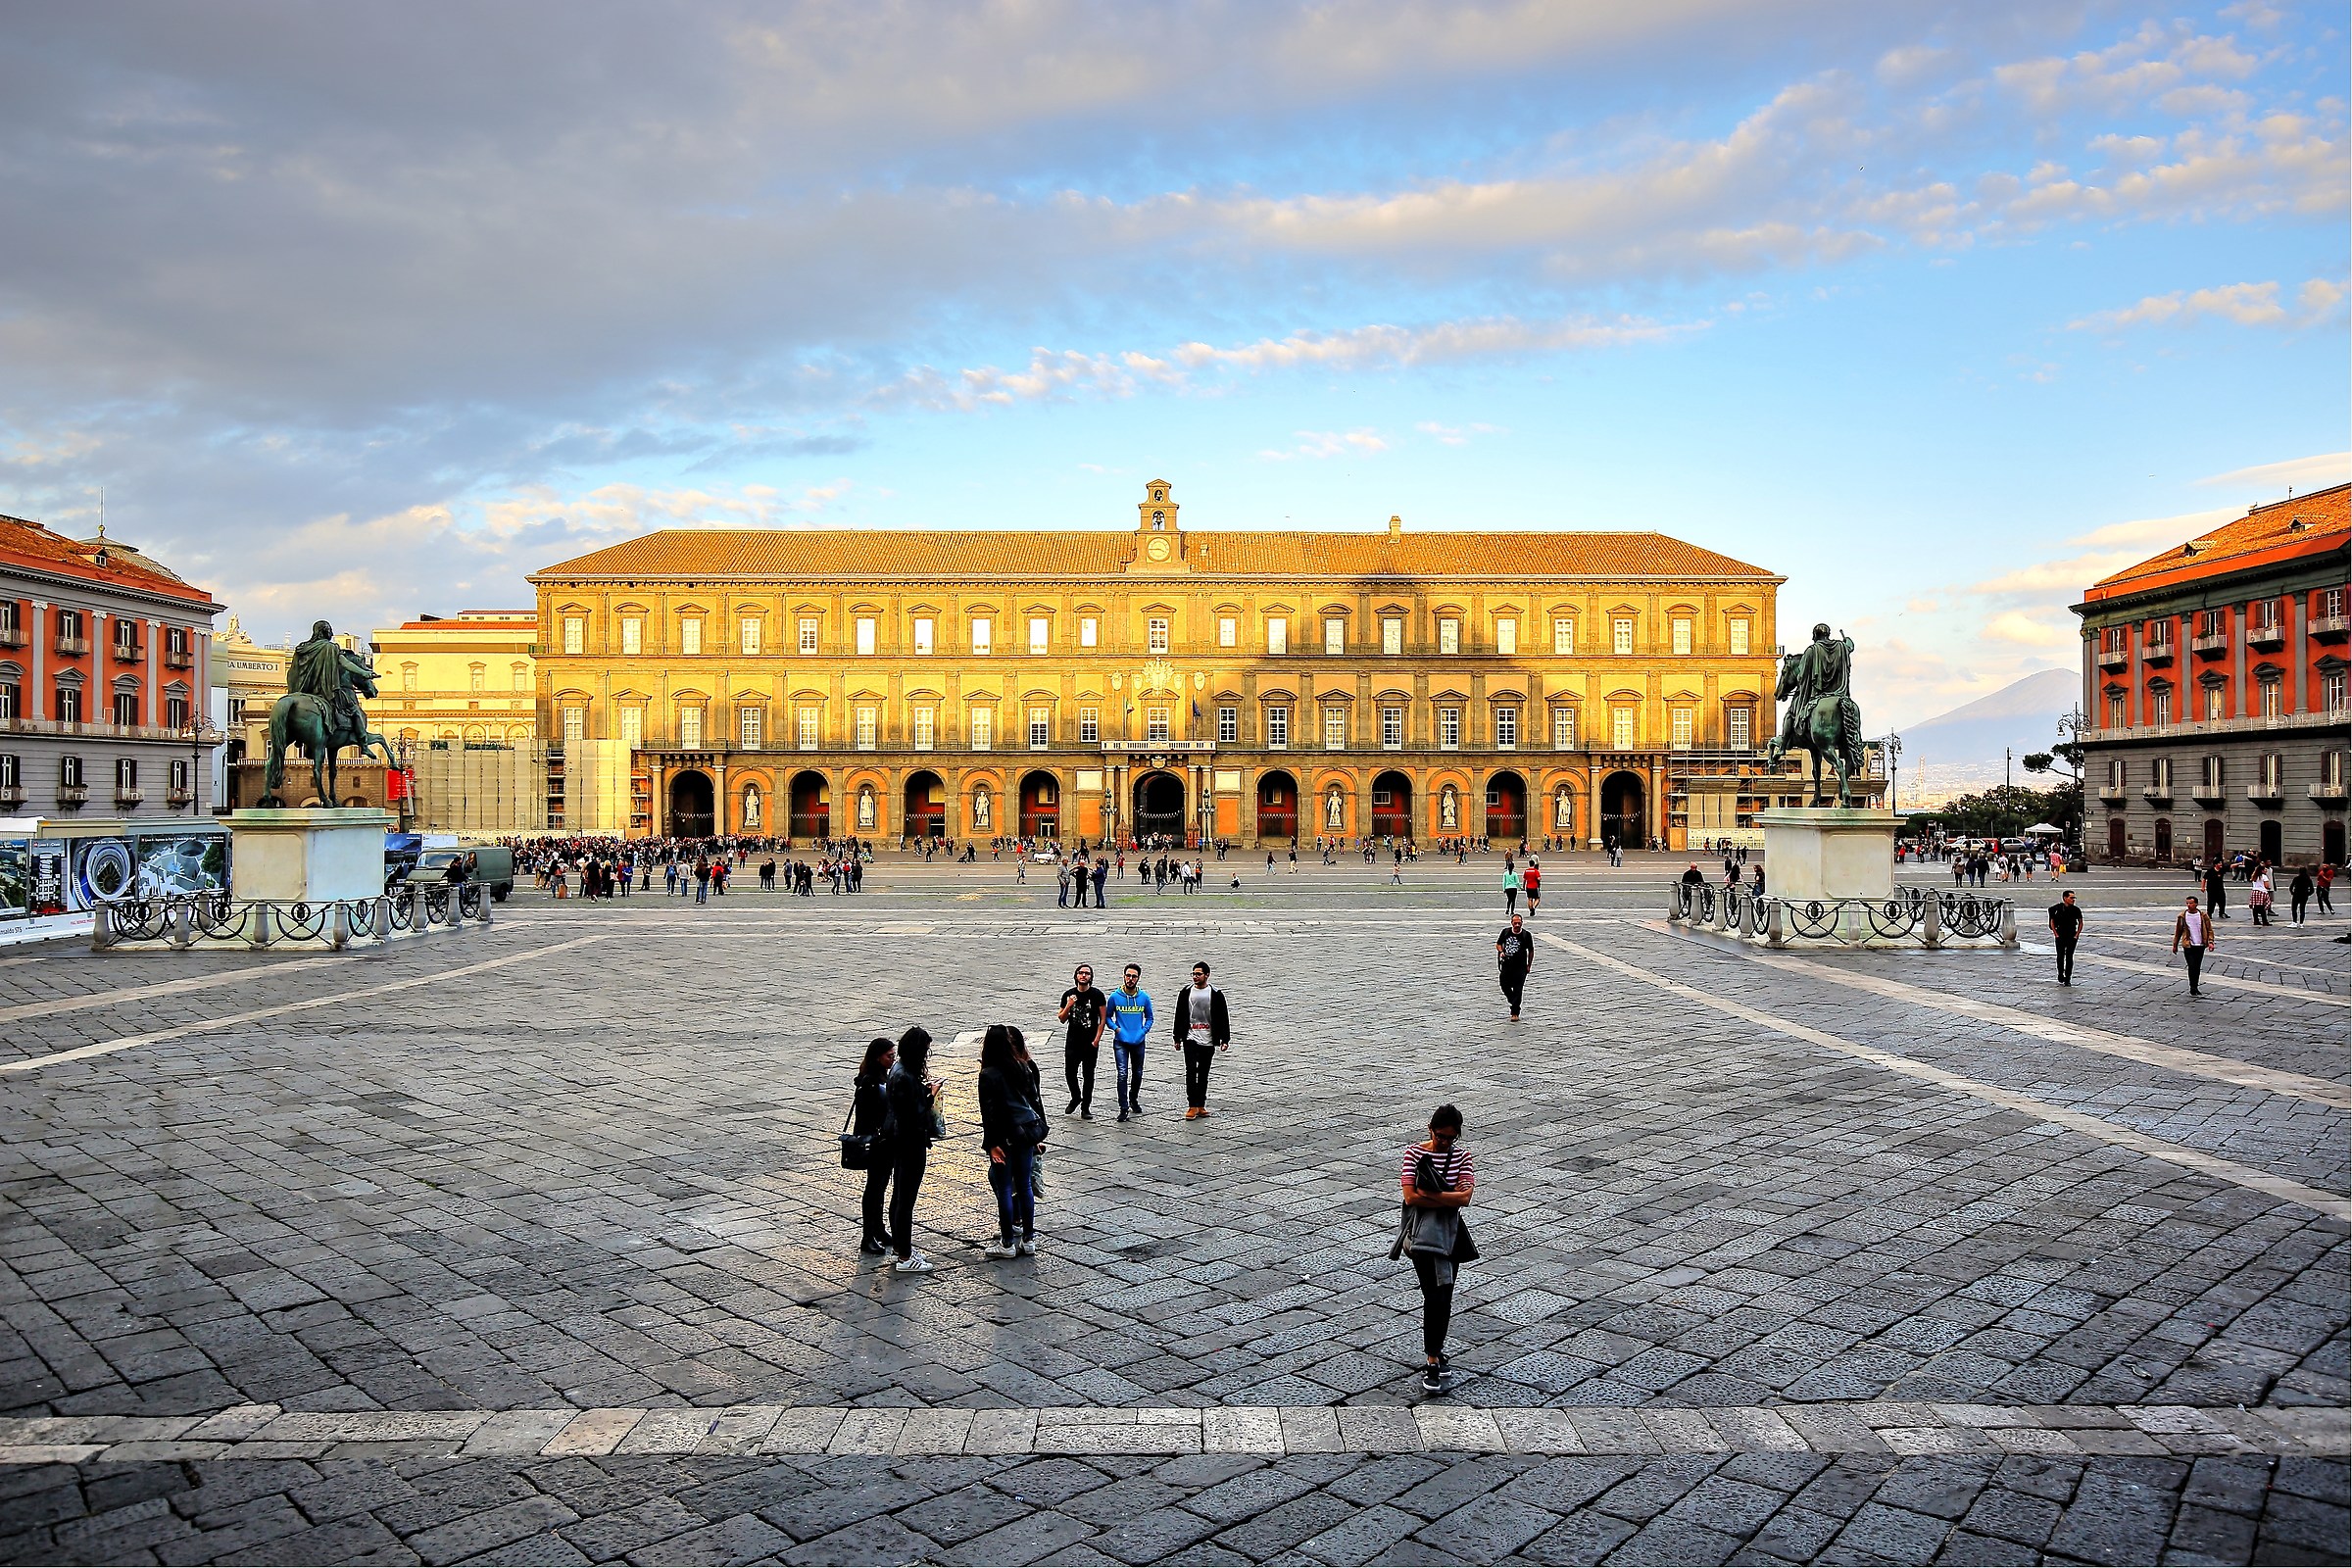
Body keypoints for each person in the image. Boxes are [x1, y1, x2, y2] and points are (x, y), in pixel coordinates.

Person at [1398, 1103, 1475, 1396]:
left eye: (1451, 1138)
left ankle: (1437, 1350)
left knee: (1446, 1295)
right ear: (1430, 1129)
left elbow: (1466, 1198)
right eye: (1441, 1136)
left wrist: (1429, 1194)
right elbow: (1408, 1196)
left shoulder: (1463, 1157)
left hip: (1451, 1237)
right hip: (1422, 1238)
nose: (1445, 1143)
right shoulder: (1414, 1154)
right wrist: (1449, 1197)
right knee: (1435, 1296)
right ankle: (1432, 1359)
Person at [977, 1025, 1048, 1258]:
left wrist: (992, 1144)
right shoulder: (1023, 1067)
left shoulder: (988, 1074)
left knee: (1006, 1188)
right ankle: (1029, 1239)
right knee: (1025, 1185)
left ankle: (1007, 1242)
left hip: (1004, 1136)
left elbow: (988, 1113)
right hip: (1026, 1134)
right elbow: (1035, 1102)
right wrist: (1038, 1134)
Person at [884, 1027, 941, 1272]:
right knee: (905, 1198)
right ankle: (905, 1257)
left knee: (900, 1195)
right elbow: (913, 1114)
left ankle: (900, 1246)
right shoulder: (905, 1076)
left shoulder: (899, 1070)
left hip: (899, 1139)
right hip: (909, 1142)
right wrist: (930, 1096)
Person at [852, 1037, 897, 1254]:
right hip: (876, 1142)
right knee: (874, 1189)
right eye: (889, 1056)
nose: (893, 1059)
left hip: (883, 1141)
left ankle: (878, 1230)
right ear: (878, 1057)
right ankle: (868, 1235)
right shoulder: (869, 1081)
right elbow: (869, 1115)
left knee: (880, 1187)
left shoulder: (880, 1076)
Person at [1173, 960, 1231, 1119]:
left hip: (1208, 1038)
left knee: (1204, 1073)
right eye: (1193, 974)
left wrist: (1225, 1039)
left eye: (1198, 974)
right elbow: (1179, 1015)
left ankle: (1201, 1104)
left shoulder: (1216, 994)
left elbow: (1223, 1017)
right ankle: (1192, 1105)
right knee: (1191, 1071)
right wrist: (1177, 1037)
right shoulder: (1186, 992)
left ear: (1207, 975)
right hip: (1190, 1037)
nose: (1195, 977)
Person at [1057, 964, 1107, 1118]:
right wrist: (1069, 1005)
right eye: (1081, 973)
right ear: (1076, 976)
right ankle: (1076, 1097)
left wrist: (1097, 1039)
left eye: (1087, 973)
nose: (1083, 976)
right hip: (1073, 1040)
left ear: (1091, 977)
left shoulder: (1097, 995)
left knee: (1088, 1075)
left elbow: (1103, 1019)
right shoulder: (1068, 994)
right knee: (1070, 1073)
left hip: (1090, 1041)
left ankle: (1086, 1107)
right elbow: (1061, 1018)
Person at [1107, 964, 1153, 1120]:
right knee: (1122, 1073)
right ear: (1124, 976)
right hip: (1121, 1041)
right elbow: (1107, 1017)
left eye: (1133, 976)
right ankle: (1123, 1107)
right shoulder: (1115, 996)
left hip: (1138, 1040)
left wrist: (1143, 1030)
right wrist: (1116, 1028)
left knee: (1138, 1073)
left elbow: (1150, 1017)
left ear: (1138, 978)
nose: (1130, 979)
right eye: (1128, 976)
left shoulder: (1144, 997)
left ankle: (1133, 1098)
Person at [2171, 896, 2216, 998]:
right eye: (2187, 903)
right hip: (2188, 945)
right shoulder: (2182, 916)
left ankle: (2195, 986)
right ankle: (2192, 987)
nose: (2188, 905)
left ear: (2196, 904)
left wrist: (2210, 942)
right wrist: (2175, 945)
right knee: (2191, 966)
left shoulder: (2203, 916)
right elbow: (2178, 931)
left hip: (2200, 944)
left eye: (2191, 903)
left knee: (2197, 967)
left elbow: (2209, 930)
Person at [1496, 912, 1533, 1020]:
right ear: (1511, 923)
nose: (1517, 925)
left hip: (1520, 965)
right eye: (1515, 923)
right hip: (1507, 964)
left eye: (1519, 923)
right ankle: (1513, 1001)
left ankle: (1515, 1012)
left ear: (1522, 923)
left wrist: (1529, 965)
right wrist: (1501, 951)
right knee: (1503, 984)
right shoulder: (1506, 932)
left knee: (1518, 988)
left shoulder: (1526, 935)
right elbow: (1498, 944)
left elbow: (1531, 950)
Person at [2047, 891, 2082, 986]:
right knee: (2060, 956)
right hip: (2060, 934)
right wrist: (2056, 934)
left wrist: (2077, 935)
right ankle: (2060, 973)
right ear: (2065, 898)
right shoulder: (2057, 908)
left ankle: (2068, 978)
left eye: (2074, 898)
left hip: (2071, 935)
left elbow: (2080, 922)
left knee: (2069, 957)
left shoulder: (2076, 910)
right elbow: (2052, 921)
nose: (2073, 900)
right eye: (2071, 898)